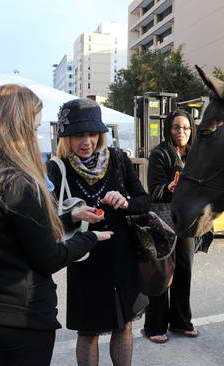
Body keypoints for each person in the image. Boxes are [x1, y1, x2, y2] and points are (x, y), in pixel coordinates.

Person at [0, 85, 113, 366]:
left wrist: (71, 217)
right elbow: (49, 257)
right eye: (34, 128)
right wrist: (90, 239)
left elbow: (15, 234)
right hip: (21, 319)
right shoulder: (19, 182)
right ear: (16, 129)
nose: (36, 136)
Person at [46, 98, 150, 366]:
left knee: (124, 325)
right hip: (85, 259)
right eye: (79, 135)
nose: (87, 141)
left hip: (122, 255)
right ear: (65, 137)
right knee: (89, 332)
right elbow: (48, 220)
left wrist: (125, 202)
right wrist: (73, 215)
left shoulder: (118, 159)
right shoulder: (57, 168)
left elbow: (144, 200)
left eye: (92, 134)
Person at [142, 110, 200, 343]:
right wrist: (169, 188)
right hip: (164, 221)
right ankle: (154, 327)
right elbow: (153, 189)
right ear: (168, 129)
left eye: (186, 128)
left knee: (184, 271)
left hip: (187, 221)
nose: (181, 132)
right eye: (176, 127)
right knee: (161, 274)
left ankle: (180, 323)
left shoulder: (197, 154)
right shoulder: (159, 154)